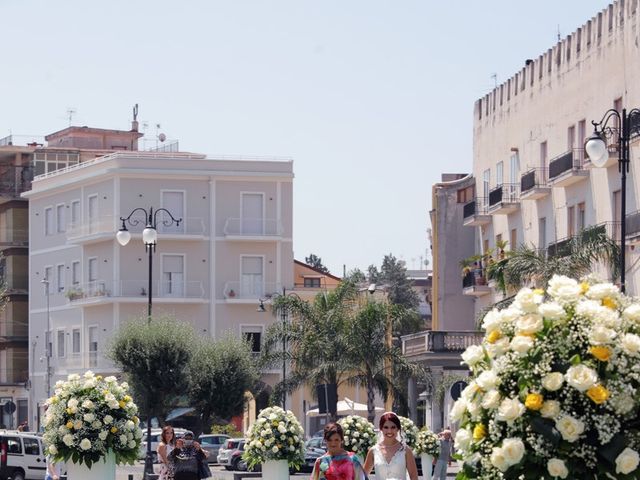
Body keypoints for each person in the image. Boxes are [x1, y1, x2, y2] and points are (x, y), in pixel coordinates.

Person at [363, 412, 418, 480]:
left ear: (398, 429)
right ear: (381, 429)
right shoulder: (373, 451)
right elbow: (362, 476)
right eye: (386, 427)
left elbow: (414, 477)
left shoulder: (406, 450)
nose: (389, 431)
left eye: (393, 427)